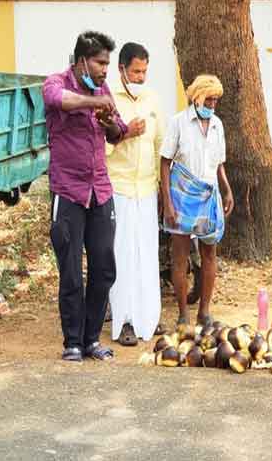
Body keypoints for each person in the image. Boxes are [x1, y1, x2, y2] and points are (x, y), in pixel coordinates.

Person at [42, 31, 128, 362]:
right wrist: (95, 103)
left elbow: (118, 134)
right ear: (81, 61)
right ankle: (72, 342)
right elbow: (59, 100)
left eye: (107, 62)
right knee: (71, 271)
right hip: (68, 191)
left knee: (104, 265)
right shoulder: (56, 81)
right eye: (100, 62)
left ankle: (92, 339)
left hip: (100, 189)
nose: (106, 70)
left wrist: (109, 123)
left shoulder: (104, 91)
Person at [160, 74, 234, 327]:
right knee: (179, 255)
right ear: (196, 97)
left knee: (209, 253)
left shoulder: (217, 125)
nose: (213, 104)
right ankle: (182, 314)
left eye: (216, 100)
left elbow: (219, 163)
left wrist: (227, 189)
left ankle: (204, 311)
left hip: (209, 193)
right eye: (209, 99)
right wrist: (167, 203)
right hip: (182, 194)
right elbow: (165, 162)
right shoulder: (178, 123)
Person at [107, 42, 164, 346]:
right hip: (119, 189)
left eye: (144, 71)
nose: (141, 76)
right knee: (123, 255)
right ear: (122, 70)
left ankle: (149, 317)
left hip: (146, 188)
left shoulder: (152, 98)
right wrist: (126, 131)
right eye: (135, 71)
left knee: (147, 255)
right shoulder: (108, 99)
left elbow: (160, 146)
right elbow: (99, 147)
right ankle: (125, 321)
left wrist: (160, 187)